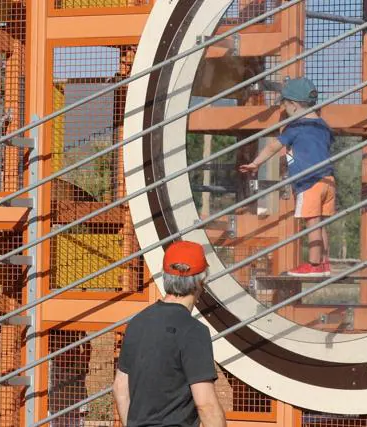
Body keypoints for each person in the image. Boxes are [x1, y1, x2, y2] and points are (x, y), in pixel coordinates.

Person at [112, 241, 226, 427]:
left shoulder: (137, 323)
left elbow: (120, 388)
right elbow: (206, 404)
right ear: (201, 281)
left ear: (165, 276)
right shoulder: (193, 331)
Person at [239, 77, 336, 277]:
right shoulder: (323, 126)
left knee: (312, 223)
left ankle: (314, 265)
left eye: (285, 105)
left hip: (309, 182)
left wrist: (256, 163)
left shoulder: (295, 127)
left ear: (292, 105)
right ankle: (325, 264)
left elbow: (274, 145)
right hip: (328, 180)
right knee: (320, 223)